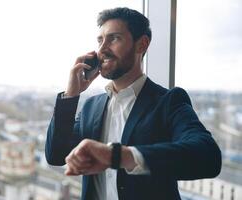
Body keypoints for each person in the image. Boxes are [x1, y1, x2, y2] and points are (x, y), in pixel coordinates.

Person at [45, 7, 221, 200]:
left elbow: (208, 157)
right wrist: (71, 95)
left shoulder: (168, 102)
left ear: (141, 45)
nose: (102, 49)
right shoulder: (91, 107)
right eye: (100, 40)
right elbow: (55, 154)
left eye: (114, 38)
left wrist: (118, 156)